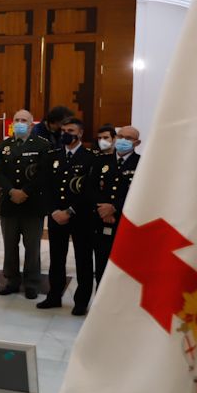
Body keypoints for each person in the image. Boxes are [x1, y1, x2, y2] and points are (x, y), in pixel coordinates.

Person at [37, 117, 96, 315]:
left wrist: (70, 211)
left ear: (80, 133)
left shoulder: (90, 158)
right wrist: (53, 211)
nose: (65, 134)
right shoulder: (53, 156)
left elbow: (90, 190)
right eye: (63, 130)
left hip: (81, 217)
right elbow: (45, 187)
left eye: (70, 130)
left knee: (83, 259)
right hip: (56, 216)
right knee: (56, 258)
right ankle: (54, 296)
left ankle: (81, 301)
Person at [0, 109, 51, 300]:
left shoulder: (43, 145)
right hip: (9, 203)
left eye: (23, 120)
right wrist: (11, 191)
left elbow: (44, 174)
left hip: (32, 204)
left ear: (31, 124)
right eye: (16, 119)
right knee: (10, 245)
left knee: (32, 246)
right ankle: (12, 280)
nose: (19, 122)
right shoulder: (5, 145)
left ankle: (32, 282)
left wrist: (25, 192)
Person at [91, 124, 141, 286]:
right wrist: (103, 209)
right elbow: (92, 188)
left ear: (137, 143)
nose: (123, 141)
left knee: (123, 266)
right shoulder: (101, 161)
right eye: (120, 137)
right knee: (101, 263)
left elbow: (139, 193)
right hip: (102, 219)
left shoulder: (141, 164)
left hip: (126, 221)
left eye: (129, 138)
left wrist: (114, 208)